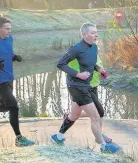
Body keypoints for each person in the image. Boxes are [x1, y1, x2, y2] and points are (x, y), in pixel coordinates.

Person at [50, 22, 120, 153]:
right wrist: (78, 74)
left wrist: (99, 69)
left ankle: (57, 137)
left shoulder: (93, 47)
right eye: (93, 32)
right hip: (76, 86)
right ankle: (104, 146)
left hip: (86, 85)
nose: (96, 34)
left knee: (75, 115)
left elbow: (91, 63)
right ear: (84, 34)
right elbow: (60, 64)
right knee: (95, 116)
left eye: (96, 32)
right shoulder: (76, 48)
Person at [0, 17, 35, 147]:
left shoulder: (9, 39)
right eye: (6, 29)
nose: (9, 31)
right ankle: (19, 138)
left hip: (9, 77)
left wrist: (14, 57)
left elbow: (7, 54)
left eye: (10, 28)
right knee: (14, 106)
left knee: (8, 106)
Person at [67, 54, 112, 143]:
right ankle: (100, 139)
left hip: (94, 87)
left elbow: (96, 67)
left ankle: (67, 119)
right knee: (99, 112)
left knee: (76, 114)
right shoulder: (79, 54)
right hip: (84, 88)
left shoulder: (96, 55)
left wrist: (102, 71)